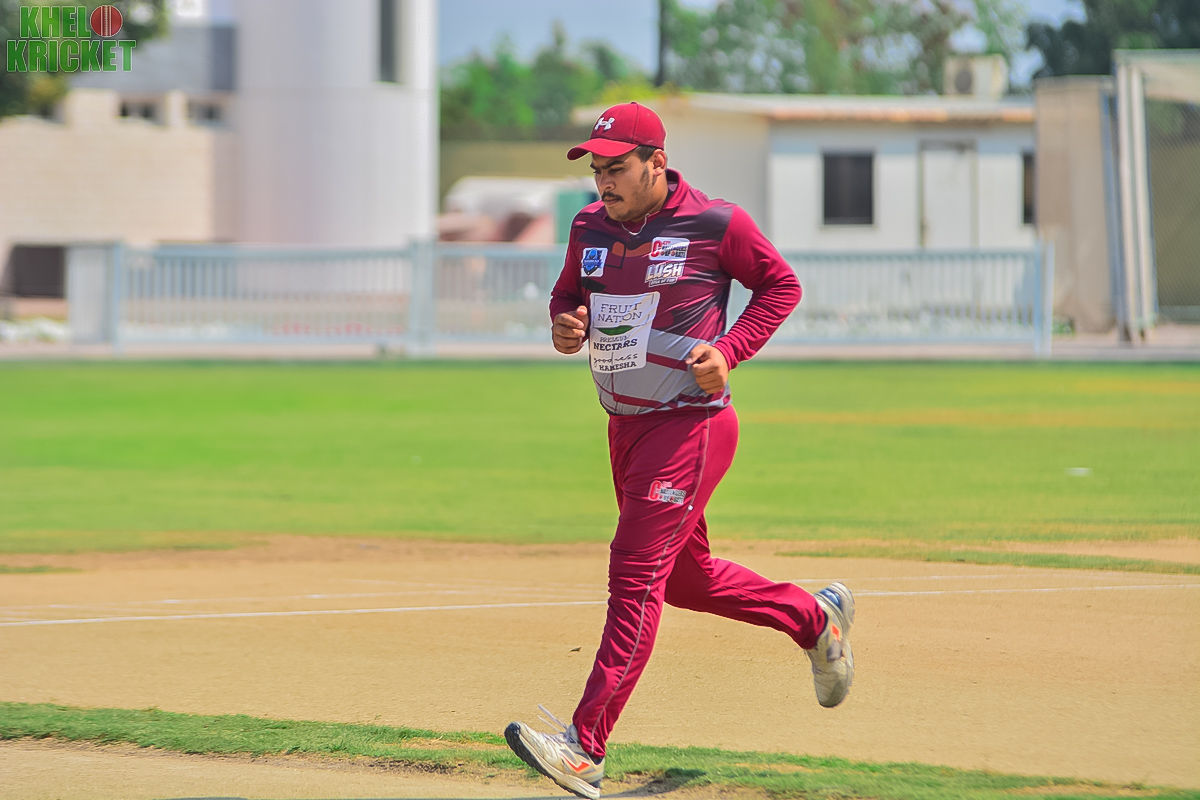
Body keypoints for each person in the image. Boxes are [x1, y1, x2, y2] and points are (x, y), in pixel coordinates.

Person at [504, 102, 855, 800]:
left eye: (617, 168)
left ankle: (585, 747)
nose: (603, 181)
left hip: (690, 426)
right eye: (596, 169)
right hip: (625, 428)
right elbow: (568, 295)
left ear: (657, 163)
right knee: (686, 581)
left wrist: (729, 350)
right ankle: (816, 621)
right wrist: (565, 323)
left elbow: (781, 285)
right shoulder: (589, 226)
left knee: (633, 575)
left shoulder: (716, 223)